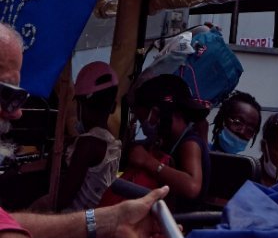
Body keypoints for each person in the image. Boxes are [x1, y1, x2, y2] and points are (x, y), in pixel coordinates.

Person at [0, 22, 168, 238]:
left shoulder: (94, 142)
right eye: (6, 95)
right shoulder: (102, 142)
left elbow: (7, 227)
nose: (16, 112)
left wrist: (107, 221)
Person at [123, 73, 210, 211]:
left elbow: (192, 187)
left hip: (179, 226)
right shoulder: (169, 140)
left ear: (157, 114)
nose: (144, 126)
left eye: (142, 119)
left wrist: (147, 161)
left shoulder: (190, 144)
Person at [56, 60, 122, 210]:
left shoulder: (86, 145)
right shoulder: (112, 143)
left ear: (81, 107)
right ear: (112, 107)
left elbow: (63, 200)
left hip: (73, 222)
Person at [210, 90, 262, 155]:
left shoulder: (244, 164)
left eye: (250, 130)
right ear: (223, 119)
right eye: (237, 122)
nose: (242, 131)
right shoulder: (199, 151)